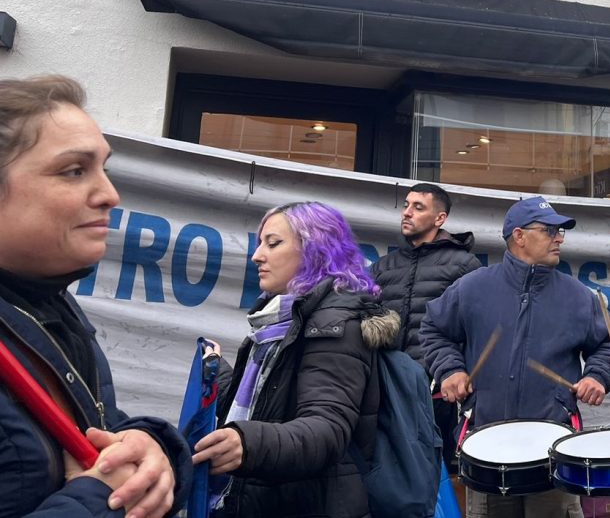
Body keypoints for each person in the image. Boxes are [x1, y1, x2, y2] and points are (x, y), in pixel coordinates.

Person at [0, 75, 190, 518]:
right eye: (74, 170)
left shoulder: (49, 304)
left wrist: (149, 448)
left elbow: (98, 428)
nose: (110, 194)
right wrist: (99, 503)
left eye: (104, 167)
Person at [420, 195, 610, 518]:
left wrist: (596, 376)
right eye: (549, 230)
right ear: (519, 236)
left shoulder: (578, 297)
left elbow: (609, 346)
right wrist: (450, 371)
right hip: (486, 451)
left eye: (561, 232)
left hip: (553, 456)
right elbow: (433, 329)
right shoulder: (472, 288)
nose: (559, 238)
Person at [192, 201, 399, 518]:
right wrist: (218, 373)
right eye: (260, 243)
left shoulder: (335, 326)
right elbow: (269, 406)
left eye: (273, 243)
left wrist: (246, 444)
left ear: (315, 250)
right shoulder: (276, 324)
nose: (257, 255)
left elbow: (326, 430)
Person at [372, 182, 480, 470]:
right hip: (385, 389)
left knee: (436, 478)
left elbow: (476, 331)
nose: (407, 213)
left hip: (437, 395)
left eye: (418, 207)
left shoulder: (465, 266)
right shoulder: (384, 266)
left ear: (440, 218)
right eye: (406, 205)